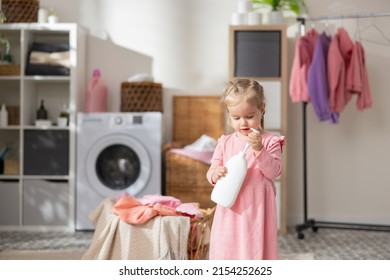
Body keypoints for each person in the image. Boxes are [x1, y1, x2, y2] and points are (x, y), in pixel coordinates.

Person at [206, 78, 285, 260]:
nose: (243, 123)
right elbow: (212, 170)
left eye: (249, 116)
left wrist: (259, 150)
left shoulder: (269, 142)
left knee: (255, 251)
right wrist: (215, 174)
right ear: (229, 114)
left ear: (262, 109)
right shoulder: (225, 143)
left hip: (257, 210)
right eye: (236, 117)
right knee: (227, 250)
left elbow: (274, 172)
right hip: (230, 210)